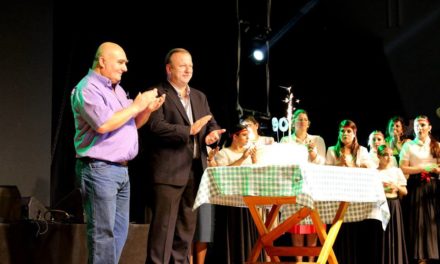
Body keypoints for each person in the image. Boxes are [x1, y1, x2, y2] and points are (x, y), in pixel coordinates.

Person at [71, 42, 165, 264]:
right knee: (103, 235)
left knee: (119, 233)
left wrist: (147, 110)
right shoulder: (87, 88)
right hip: (99, 169)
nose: (125, 68)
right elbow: (103, 124)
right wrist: (136, 105)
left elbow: (129, 124)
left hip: (121, 171)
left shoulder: (118, 90)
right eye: (121, 62)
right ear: (102, 61)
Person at [144, 48, 225, 264]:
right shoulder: (157, 93)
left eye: (190, 65)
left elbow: (210, 123)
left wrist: (212, 134)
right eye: (182, 66)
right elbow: (155, 126)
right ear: (169, 69)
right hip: (168, 172)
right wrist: (188, 131)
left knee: (185, 232)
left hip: (195, 171)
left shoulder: (199, 96)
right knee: (163, 231)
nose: (188, 69)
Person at [280, 109, 326, 263]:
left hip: (314, 186)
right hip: (294, 185)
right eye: (299, 119)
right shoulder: (286, 141)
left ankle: (312, 261)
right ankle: (299, 261)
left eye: (305, 119)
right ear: (293, 122)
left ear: (309, 123)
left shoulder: (317, 140)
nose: (302, 122)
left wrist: (312, 152)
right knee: (297, 223)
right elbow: (283, 162)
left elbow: (322, 162)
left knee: (312, 223)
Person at [399, 115, 440, 264]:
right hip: (416, 186)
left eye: (422, 125)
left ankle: (433, 254)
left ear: (429, 127)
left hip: (433, 188)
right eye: (417, 125)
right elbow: (402, 168)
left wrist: (436, 170)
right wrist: (421, 168)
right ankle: (420, 256)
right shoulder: (408, 146)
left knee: (432, 222)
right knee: (418, 222)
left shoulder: (437, 145)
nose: (419, 128)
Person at [376, 145, 409, 264]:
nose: (389, 158)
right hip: (380, 205)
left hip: (394, 204)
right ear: (378, 156)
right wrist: (382, 189)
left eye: (390, 155)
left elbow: (405, 191)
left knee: (395, 233)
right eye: (385, 155)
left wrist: (396, 187)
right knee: (383, 235)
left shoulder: (396, 171)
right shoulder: (375, 172)